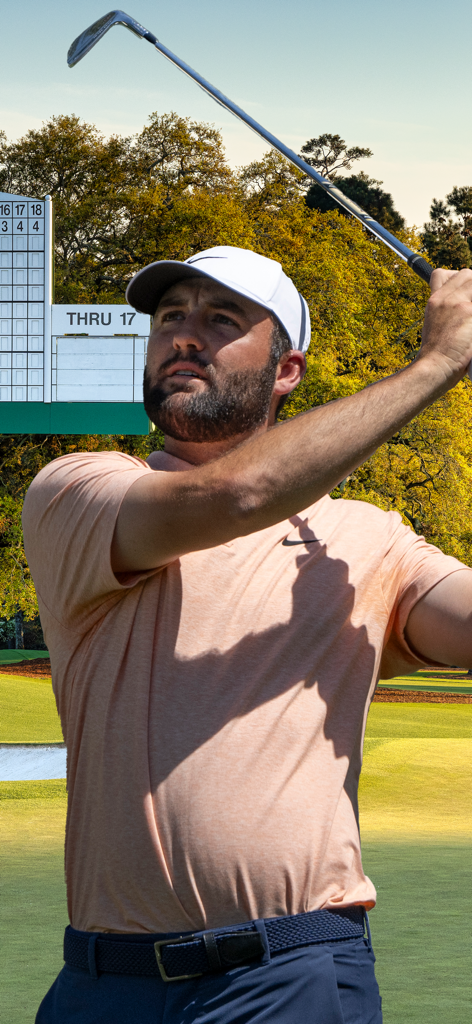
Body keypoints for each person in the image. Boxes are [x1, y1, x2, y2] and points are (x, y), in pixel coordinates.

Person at [23, 246, 472, 1024]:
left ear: (287, 370)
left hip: (288, 972)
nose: (183, 334)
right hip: (101, 981)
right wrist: (440, 363)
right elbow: (241, 493)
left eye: (222, 319)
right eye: (170, 316)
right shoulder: (78, 489)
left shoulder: (365, 540)